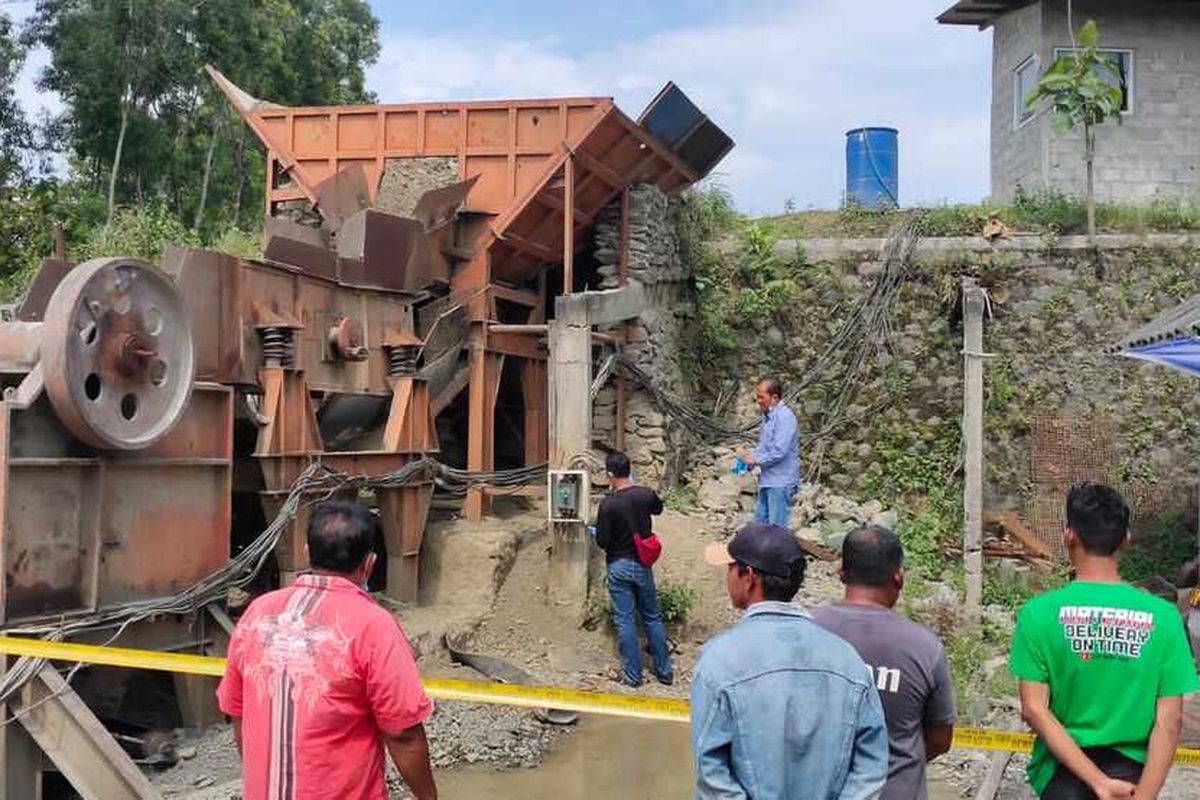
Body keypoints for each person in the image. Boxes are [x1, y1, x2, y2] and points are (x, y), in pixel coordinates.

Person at [217, 501, 437, 800]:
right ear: (369, 563)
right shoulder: (374, 625)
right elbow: (403, 733)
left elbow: (238, 713)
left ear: (307, 551)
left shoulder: (258, 614)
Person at [1010, 484, 1199, 800]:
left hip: (1062, 777)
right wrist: (1145, 796)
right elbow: (1170, 720)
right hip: (1133, 780)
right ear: (1125, 539)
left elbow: (1033, 709)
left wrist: (1097, 781)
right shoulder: (1164, 618)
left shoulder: (1037, 614)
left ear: (1069, 535)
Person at [693, 522, 888, 798]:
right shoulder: (847, 659)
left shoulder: (719, 660)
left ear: (748, 577)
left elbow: (712, 774)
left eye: (730, 568)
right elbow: (870, 766)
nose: (727, 577)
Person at [811, 525, 956, 800]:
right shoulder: (924, 647)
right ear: (898, 578)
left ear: (841, 573)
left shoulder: (806, 631)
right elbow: (940, 738)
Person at [593, 450, 674, 687]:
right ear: (630, 470)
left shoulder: (608, 504)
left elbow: (602, 542)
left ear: (609, 474)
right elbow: (658, 508)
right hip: (642, 565)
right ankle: (665, 672)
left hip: (618, 565)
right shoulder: (645, 495)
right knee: (652, 616)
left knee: (625, 620)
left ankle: (632, 675)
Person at [740, 378, 800, 528]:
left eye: (761, 397)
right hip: (768, 480)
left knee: (776, 530)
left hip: (780, 482)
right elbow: (764, 447)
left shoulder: (785, 417)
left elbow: (779, 451)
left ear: (774, 398)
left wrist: (755, 460)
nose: (758, 401)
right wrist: (749, 460)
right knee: (760, 527)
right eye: (757, 397)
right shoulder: (768, 418)